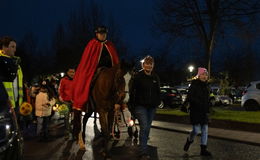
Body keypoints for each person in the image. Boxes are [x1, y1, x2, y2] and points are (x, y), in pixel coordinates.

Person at [71, 25, 120, 141]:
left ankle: (119, 103)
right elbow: (87, 61)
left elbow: (115, 61)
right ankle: (87, 100)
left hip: (109, 71)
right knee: (88, 81)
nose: (102, 35)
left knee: (118, 84)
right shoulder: (92, 44)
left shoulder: (110, 45)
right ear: (96, 34)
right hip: (95, 70)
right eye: (100, 33)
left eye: (104, 33)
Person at [130, 55, 161, 160]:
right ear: (143, 65)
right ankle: (143, 152)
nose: (148, 65)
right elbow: (132, 92)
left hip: (152, 107)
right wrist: (132, 107)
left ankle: (142, 143)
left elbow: (158, 92)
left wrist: (158, 102)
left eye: (150, 64)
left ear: (153, 65)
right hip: (140, 106)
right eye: (147, 63)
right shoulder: (138, 77)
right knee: (144, 126)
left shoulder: (155, 77)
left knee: (147, 127)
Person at [183, 67, 212, 156]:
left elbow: (208, 97)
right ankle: (189, 140)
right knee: (196, 130)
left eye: (206, 75)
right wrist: (195, 103)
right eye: (203, 74)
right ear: (199, 75)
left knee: (205, 130)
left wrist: (210, 102)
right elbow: (190, 97)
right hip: (195, 110)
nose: (204, 76)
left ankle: (203, 149)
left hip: (204, 111)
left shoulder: (207, 86)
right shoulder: (194, 84)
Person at [0, 36, 24, 122]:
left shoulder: (17, 65)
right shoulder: (1, 62)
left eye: (15, 47)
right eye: (12, 47)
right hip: (4, 106)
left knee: (15, 131)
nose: (15, 50)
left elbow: (20, 85)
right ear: (4, 47)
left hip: (16, 105)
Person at [58, 67, 75, 139]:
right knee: (66, 118)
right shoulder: (63, 80)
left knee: (75, 119)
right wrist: (61, 97)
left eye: (73, 72)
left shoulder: (77, 80)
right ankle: (67, 133)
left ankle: (74, 133)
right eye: (70, 72)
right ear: (67, 73)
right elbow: (60, 90)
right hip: (66, 102)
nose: (72, 74)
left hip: (74, 102)